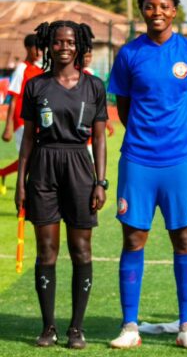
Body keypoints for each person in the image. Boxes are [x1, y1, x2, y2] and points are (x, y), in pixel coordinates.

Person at [106, 0, 187, 350]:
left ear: (174, 10)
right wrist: (145, 135)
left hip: (181, 160)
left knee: (183, 238)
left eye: (164, 6)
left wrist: (183, 133)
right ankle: (130, 326)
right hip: (138, 159)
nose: (157, 12)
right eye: (150, 6)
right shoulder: (129, 54)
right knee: (134, 237)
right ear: (142, 11)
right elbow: (122, 105)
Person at [15, 20, 107, 349]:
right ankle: (49, 327)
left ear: (79, 46)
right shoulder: (36, 86)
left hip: (80, 169)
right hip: (43, 166)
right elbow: (27, 138)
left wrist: (101, 181)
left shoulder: (93, 86)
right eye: (57, 42)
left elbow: (99, 139)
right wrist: (22, 181)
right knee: (47, 251)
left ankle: (76, 329)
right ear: (48, 46)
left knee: (81, 250)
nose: (64, 47)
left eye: (70, 42)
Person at [1, 34, 43, 193]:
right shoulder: (21, 69)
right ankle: (26, 195)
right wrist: (8, 126)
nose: (40, 51)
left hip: (37, 119)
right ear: (28, 48)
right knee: (29, 157)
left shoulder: (41, 69)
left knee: (33, 157)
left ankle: (3, 173)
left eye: (42, 48)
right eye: (36, 48)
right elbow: (13, 98)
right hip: (21, 119)